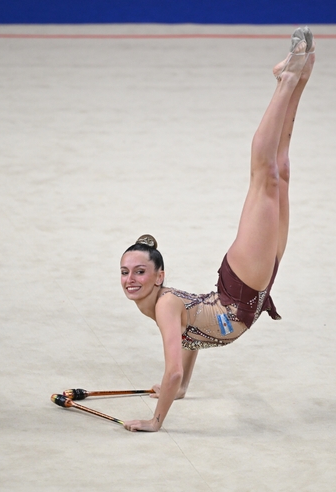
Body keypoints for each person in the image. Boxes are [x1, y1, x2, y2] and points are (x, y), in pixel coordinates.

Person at [119, 27, 315, 432]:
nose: (131, 280)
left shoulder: (164, 305)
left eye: (139, 272)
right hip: (251, 293)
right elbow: (190, 343)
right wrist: (183, 387)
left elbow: (171, 368)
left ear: (160, 276)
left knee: (264, 177)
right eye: (125, 272)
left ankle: (288, 81)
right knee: (280, 174)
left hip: (242, 290)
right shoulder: (169, 304)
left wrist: (156, 420)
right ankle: (300, 75)